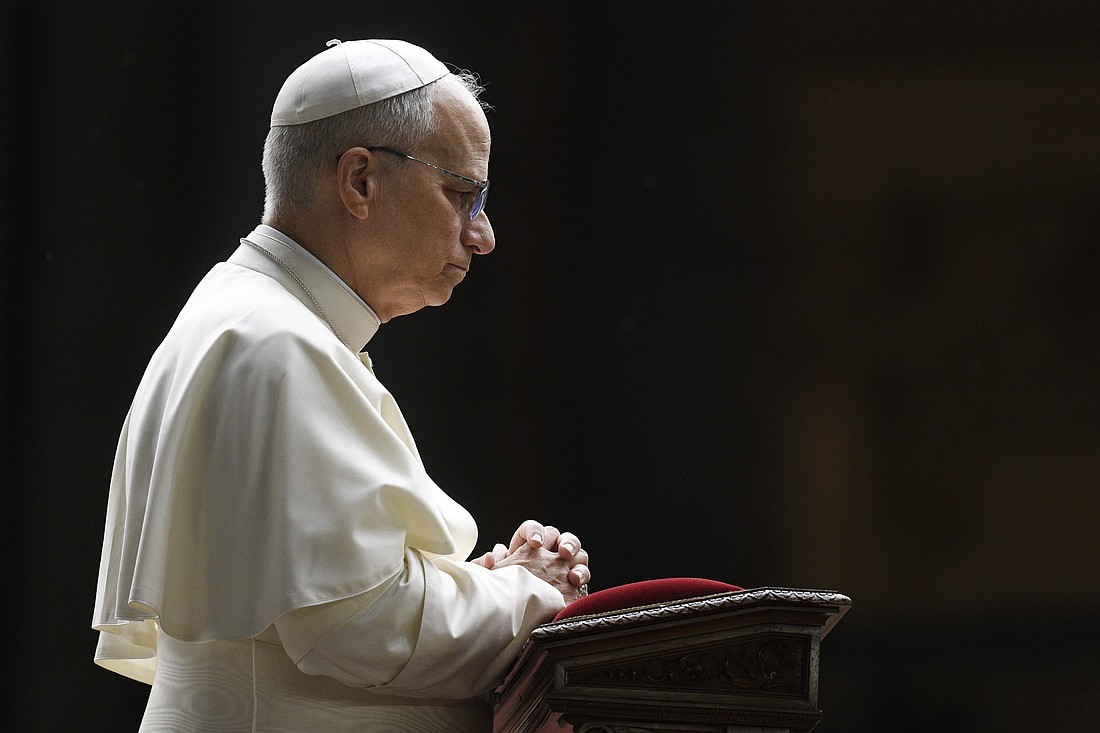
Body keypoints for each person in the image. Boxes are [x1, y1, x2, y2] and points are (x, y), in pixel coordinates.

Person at [92, 38, 590, 732]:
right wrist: (526, 595)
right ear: (360, 181)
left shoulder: (248, 315)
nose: (483, 235)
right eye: (461, 194)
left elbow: (323, 600)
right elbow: (360, 626)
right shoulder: (278, 344)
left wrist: (477, 584)